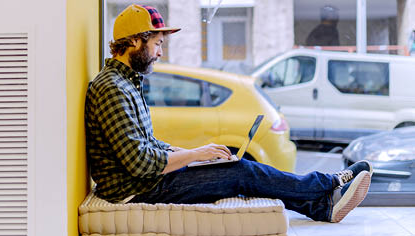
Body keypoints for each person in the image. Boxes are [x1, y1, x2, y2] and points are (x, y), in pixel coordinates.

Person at [85, 4, 372, 223]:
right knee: (240, 172)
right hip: (137, 190)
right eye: (157, 44)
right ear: (136, 41)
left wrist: (191, 154)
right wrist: (195, 155)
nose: (160, 52)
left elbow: (147, 144)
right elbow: (140, 164)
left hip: (145, 181)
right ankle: (329, 184)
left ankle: (321, 205)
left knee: (233, 167)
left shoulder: (127, 82)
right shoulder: (112, 88)